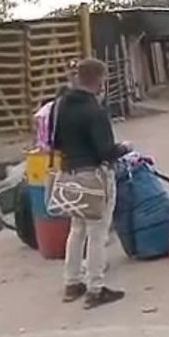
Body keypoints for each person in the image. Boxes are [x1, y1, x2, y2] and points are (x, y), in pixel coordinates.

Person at [55, 58, 128, 309]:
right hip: (94, 176)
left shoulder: (61, 105)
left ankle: (71, 283)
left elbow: (53, 140)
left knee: (76, 229)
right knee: (98, 233)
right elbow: (106, 150)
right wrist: (123, 149)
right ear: (98, 79)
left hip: (69, 174)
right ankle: (95, 289)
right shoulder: (94, 111)